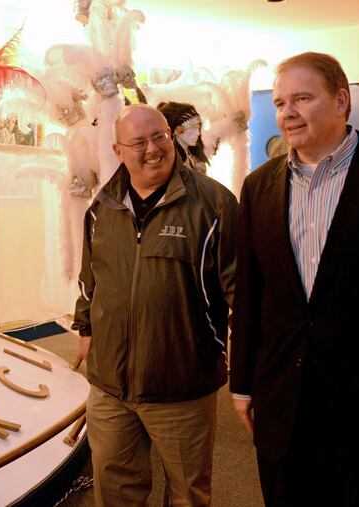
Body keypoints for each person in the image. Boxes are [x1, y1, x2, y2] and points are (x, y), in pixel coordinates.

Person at [230, 52, 359, 506]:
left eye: (302, 98)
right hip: (283, 401)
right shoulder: (259, 187)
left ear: (342, 100)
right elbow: (251, 293)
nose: (288, 112)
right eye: (282, 102)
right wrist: (242, 382)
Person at [72, 103, 238, 506]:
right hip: (111, 386)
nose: (153, 149)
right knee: (115, 489)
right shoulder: (102, 208)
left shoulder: (213, 205)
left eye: (159, 136)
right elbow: (90, 279)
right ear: (118, 151)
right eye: (139, 141)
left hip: (181, 383)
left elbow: (241, 291)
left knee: (187, 494)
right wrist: (86, 328)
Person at [157, 101, 211, 174]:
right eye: (192, 128)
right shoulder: (172, 162)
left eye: (198, 128)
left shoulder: (192, 155)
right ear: (177, 130)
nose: (197, 133)